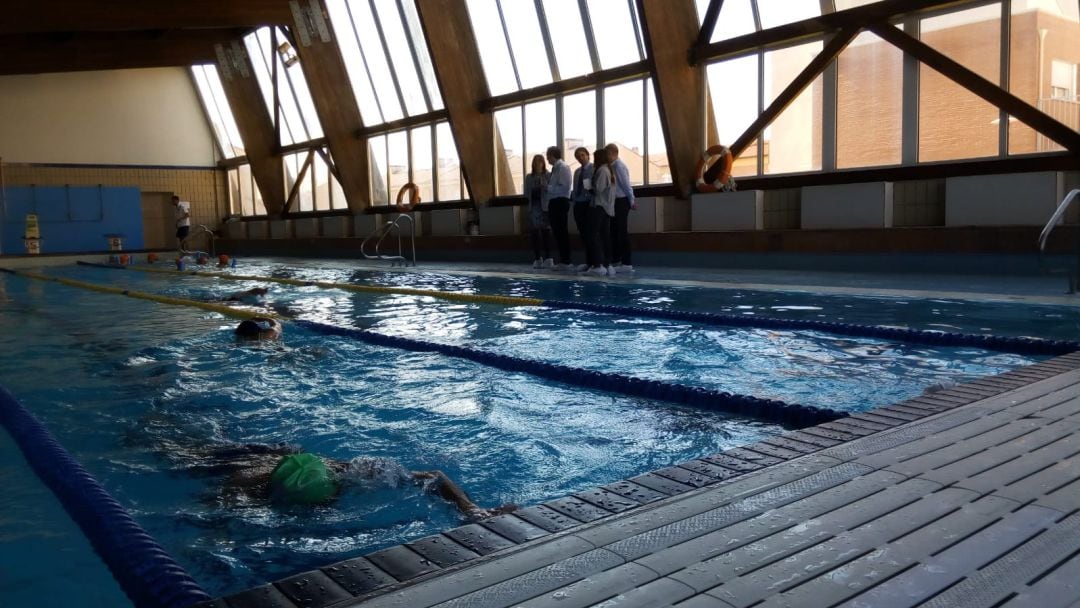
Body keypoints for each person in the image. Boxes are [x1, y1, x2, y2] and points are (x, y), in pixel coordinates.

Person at [204, 442, 514, 520]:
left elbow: (433, 476)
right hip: (225, 461)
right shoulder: (243, 484)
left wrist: (470, 508)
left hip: (283, 458)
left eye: (332, 498)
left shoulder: (343, 472)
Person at [604, 144, 635, 274]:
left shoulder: (618, 167)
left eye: (607, 154)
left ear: (613, 153)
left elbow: (626, 185)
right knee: (615, 231)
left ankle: (626, 262)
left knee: (621, 231)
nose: (606, 157)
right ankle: (617, 259)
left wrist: (631, 200)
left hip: (622, 201)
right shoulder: (612, 167)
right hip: (616, 202)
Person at [544, 146, 574, 271]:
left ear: (552, 155)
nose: (547, 159)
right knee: (557, 232)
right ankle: (563, 259)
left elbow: (565, 187)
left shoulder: (563, 167)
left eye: (548, 156)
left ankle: (566, 261)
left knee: (561, 231)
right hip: (554, 202)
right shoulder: (555, 169)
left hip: (560, 202)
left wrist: (548, 188)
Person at [588, 148, 616, 277]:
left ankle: (598, 264)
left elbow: (597, 190)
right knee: (605, 236)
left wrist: (588, 186)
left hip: (600, 206)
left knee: (593, 235)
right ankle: (608, 264)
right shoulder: (609, 170)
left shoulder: (602, 171)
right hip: (607, 208)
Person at [523, 154, 553, 269]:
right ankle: (537, 258)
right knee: (534, 233)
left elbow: (551, 190)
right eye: (535, 162)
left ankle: (548, 258)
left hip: (544, 206)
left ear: (543, 163)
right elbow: (526, 192)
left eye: (540, 162)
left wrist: (543, 186)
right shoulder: (529, 177)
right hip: (533, 206)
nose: (538, 164)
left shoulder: (548, 175)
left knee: (546, 233)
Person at [570, 147, 595, 273]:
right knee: (583, 234)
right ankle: (588, 261)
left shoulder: (593, 169)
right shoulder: (577, 172)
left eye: (582, 155)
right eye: (578, 157)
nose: (580, 158)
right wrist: (574, 202)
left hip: (588, 204)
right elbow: (575, 188)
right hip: (579, 204)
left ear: (587, 155)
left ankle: (594, 262)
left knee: (591, 234)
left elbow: (593, 188)